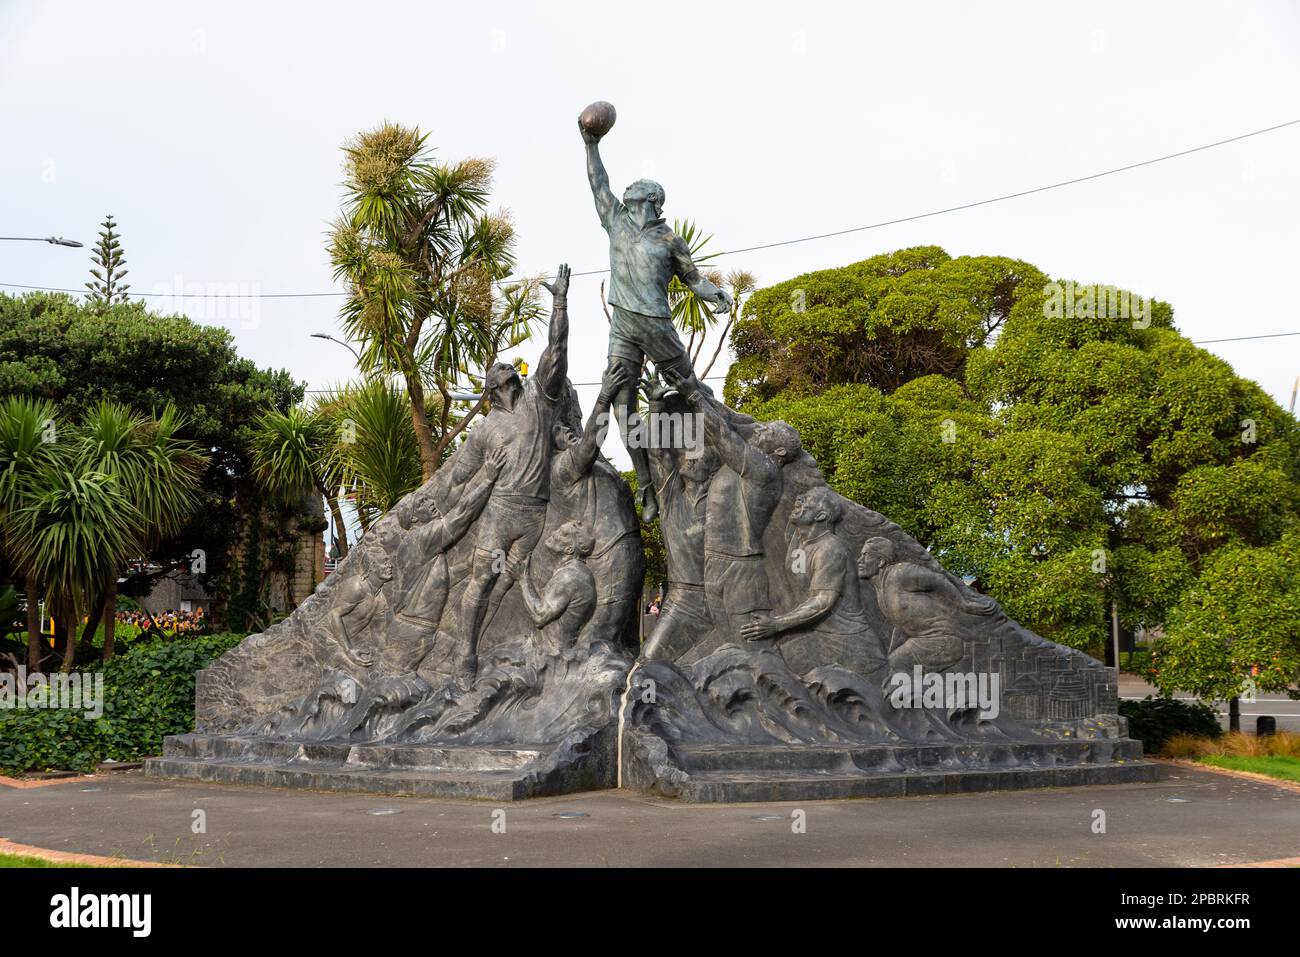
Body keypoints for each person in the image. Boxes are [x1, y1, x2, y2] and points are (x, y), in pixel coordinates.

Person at [581, 115, 732, 521]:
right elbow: (599, 183)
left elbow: (694, 278)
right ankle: (646, 486)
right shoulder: (616, 221)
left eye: (636, 187)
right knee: (620, 404)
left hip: (658, 324)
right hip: (625, 326)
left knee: (691, 388)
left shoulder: (670, 239)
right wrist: (590, 144)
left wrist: (716, 293)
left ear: (651, 199)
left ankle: (729, 443)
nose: (627, 187)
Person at [448, 264, 572, 681]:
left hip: (535, 513)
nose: (509, 365)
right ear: (494, 384)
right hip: (500, 512)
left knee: (510, 583)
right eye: (503, 366)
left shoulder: (538, 397)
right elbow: (458, 476)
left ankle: (495, 648)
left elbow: (556, 350)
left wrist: (559, 300)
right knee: (483, 580)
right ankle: (465, 656)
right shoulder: (486, 430)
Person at [740, 485, 887, 679]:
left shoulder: (830, 549)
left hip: (849, 646)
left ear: (821, 516)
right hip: (817, 636)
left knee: (768, 670)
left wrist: (776, 624)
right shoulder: (799, 540)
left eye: (808, 499)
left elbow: (822, 601)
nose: (800, 499)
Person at [548, 364, 643, 648]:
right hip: (610, 560)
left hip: (626, 554)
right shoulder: (561, 467)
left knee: (624, 646)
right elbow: (591, 442)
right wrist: (605, 395)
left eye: (573, 421)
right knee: (599, 646)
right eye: (562, 429)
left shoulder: (599, 466)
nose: (571, 430)